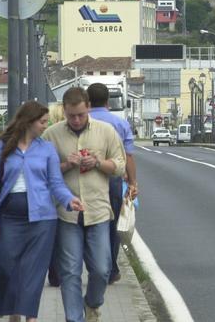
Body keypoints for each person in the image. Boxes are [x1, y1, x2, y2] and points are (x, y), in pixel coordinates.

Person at [0, 101, 85, 322]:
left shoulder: (46, 148)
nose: (45, 126)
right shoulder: (0, 147)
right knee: (6, 265)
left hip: (42, 219)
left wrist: (69, 200)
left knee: (34, 273)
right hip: (9, 216)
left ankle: (30, 317)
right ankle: (13, 311)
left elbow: (55, 183)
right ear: (28, 122)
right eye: (42, 122)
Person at [43, 87, 126, 322]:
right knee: (70, 271)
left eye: (80, 114)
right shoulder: (51, 135)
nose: (76, 120)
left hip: (98, 210)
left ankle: (92, 303)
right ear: (64, 112)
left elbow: (119, 166)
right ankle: (73, 318)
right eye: (71, 116)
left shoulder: (106, 132)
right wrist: (66, 165)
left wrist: (98, 162)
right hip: (66, 214)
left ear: (88, 107)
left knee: (102, 269)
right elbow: (42, 173)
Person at [85, 83, 138, 285]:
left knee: (89, 223)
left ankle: (94, 266)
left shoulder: (81, 120)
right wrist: (133, 182)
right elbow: (129, 156)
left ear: (88, 102)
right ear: (108, 101)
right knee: (112, 224)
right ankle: (111, 267)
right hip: (113, 180)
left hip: (86, 180)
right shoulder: (120, 123)